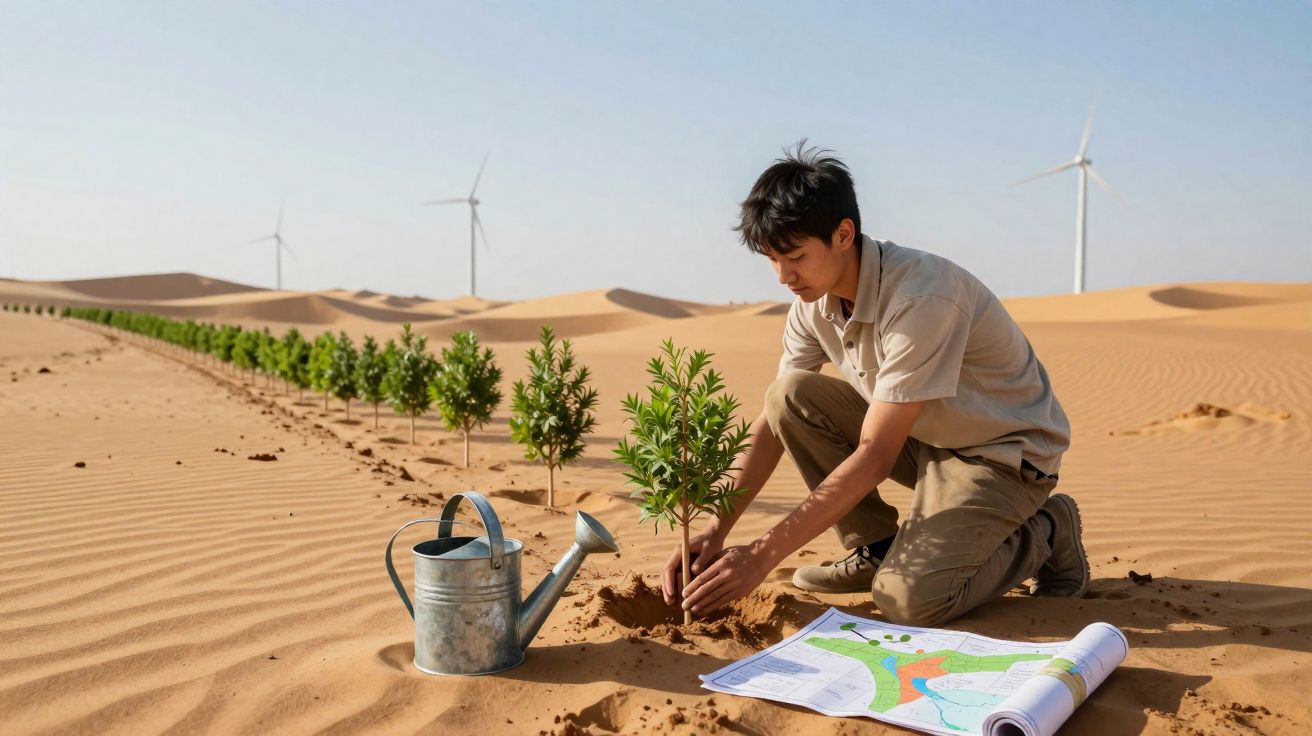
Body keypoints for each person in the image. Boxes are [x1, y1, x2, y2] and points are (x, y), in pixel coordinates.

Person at [665, 142, 1086, 627]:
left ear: (844, 234)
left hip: (1001, 456)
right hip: (925, 438)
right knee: (789, 396)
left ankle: (1048, 531)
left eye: (796, 256)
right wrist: (717, 529)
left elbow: (875, 454)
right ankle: (876, 547)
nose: (783, 276)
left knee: (909, 601)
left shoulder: (921, 297)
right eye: (771, 259)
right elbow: (772, 422)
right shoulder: (810, 303)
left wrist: (761, 556)